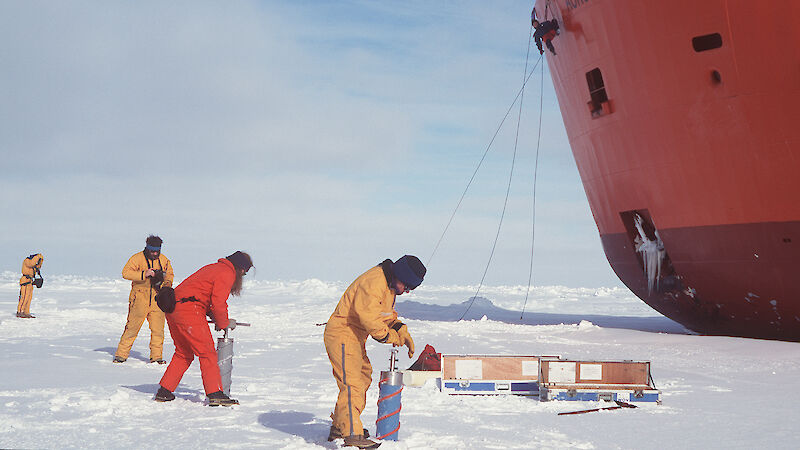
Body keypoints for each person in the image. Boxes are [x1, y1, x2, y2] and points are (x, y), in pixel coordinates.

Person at [324, 255, 426, 449]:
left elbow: (386, 316)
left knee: (362, 378)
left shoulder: (389, 287)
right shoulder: (374, 282)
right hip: (342, 334)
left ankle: (340, 425)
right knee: (352, 383)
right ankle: (352, 433)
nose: (407, 291)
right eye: (407, 286)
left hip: (354, 337)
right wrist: (388, 336)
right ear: (401, 276)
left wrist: (401, 330)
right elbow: (369, 318)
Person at [154, 251, 253, 407]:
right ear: (240, 269)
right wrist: (223, 323)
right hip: (189, 310)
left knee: (183, 353)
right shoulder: (227, 273)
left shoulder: (214, 268)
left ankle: (164, 391)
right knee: (207, 353)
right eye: (244, 273)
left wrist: (216, 317)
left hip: (174, 309)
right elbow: (218, 301)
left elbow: (201, 294)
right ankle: (215, 393)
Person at [114, 235, 174, 364]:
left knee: (158, 331)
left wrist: (166, 284)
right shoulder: (136, 258)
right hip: (139, 299)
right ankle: (121, 355)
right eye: (152, 251)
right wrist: (144, 274)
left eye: (157, 251)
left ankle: (156, 357)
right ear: (147, 249)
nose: (154, 254)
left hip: (158, 299)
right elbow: (126, 273)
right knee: (132, 328)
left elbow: (169, 274)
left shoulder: (164, 260)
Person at [17, 253, 43, 318]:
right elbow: (32, 263)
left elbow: (38, 266)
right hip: (25, 281)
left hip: (30, 281)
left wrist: (41, 260)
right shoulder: (27, 261)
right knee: (24, 297)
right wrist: (38, 256)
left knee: (29, 298)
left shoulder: (33, 265)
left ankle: (26, 312)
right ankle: (20, 311)